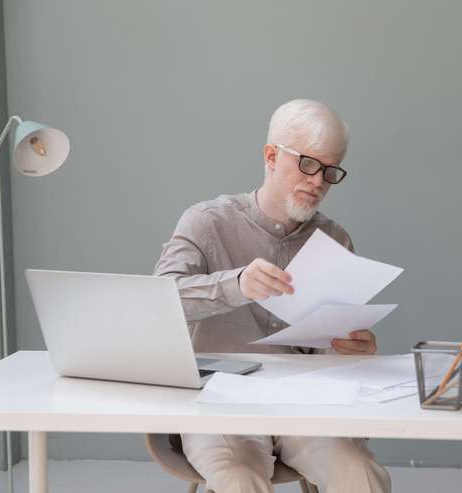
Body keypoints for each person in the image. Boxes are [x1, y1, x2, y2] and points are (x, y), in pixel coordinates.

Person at [154, 99, 391, 493]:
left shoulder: (334, 239)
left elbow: (330, 349)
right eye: (308, 164)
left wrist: (350, 349)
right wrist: (236, 285)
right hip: (221, 406)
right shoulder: (207, 221)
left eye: (330, 171)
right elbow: (158, 303)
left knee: (361, 474)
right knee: (239, 481)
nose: (318, 181)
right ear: (271, 156)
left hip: (304, 406)